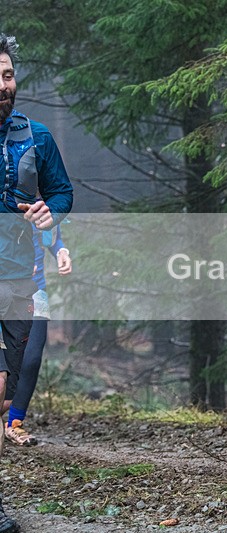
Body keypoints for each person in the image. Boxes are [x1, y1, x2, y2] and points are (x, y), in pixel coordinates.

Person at [0, 33, 74, 533]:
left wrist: (52, 217)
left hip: (19, 279)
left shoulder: (36, 136)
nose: (3, 85)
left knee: (8, 387)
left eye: (6, 75)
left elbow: (63, 194)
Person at [4, 224, 71, 446]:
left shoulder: (47, 210)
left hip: (35, 293)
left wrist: (61, 251)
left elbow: (52, 238)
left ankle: (14, 423)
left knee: (31, 359)